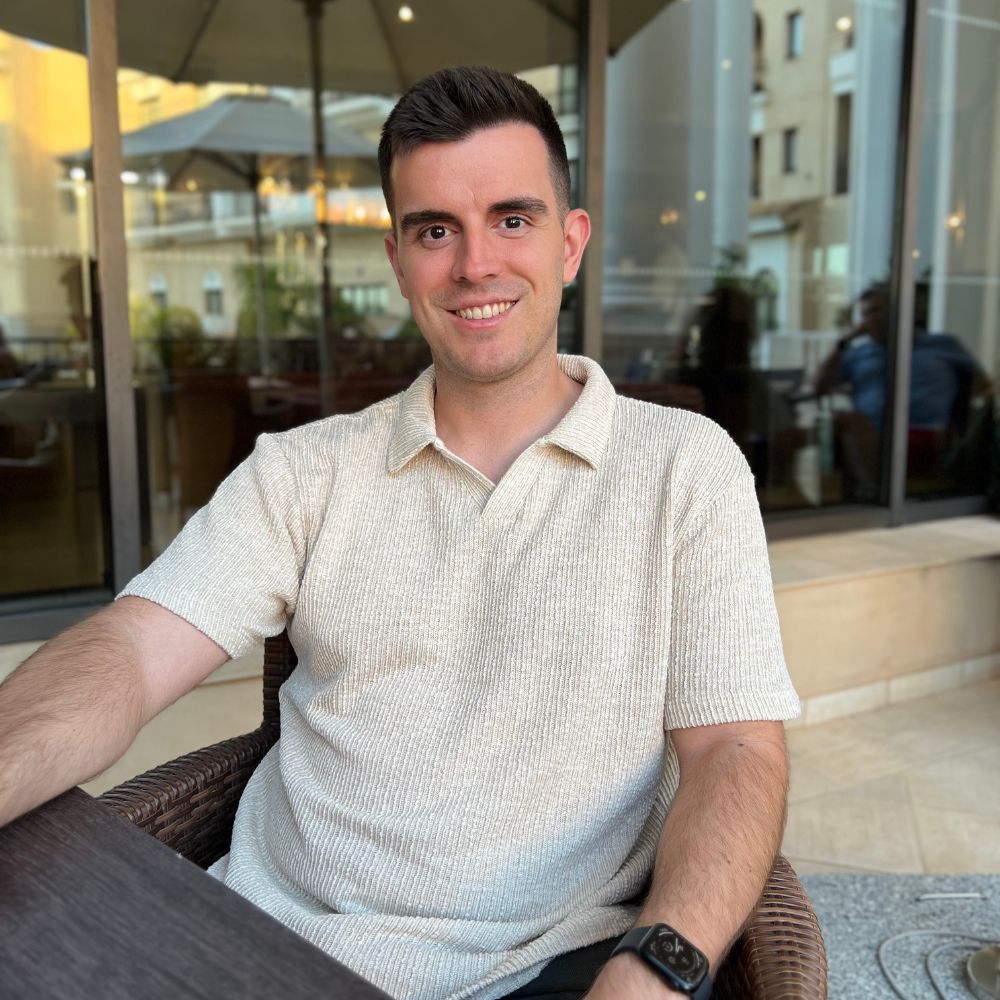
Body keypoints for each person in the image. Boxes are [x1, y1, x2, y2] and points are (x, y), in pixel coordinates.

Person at [0, 67, 799, 1000]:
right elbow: (133, 650)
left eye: (512, 218)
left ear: (571, 243)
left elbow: (734, 748)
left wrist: (657, 967)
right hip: (265, 944)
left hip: (541, 966)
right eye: (435, 231)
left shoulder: (683, 468)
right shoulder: (303, 471)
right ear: (397, 259)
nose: (475, 264)